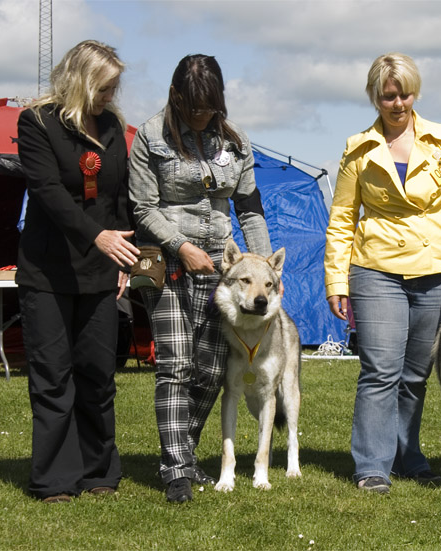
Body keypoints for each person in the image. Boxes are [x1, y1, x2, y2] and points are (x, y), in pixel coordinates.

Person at [324, 52, 441, 494]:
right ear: (375, 96)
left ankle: (407, 454)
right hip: (375, 267)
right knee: (380, 369)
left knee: (417, 372)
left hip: (435, 269)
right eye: (388, 96)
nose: (398, 103)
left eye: (406, 94)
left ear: (416, 93)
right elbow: (342, 217)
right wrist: (336, 281)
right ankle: (372, 466)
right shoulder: (357, 148)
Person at [128, 54, 273, 504]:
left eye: (208, 107)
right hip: (167, 263)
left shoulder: (236, 142)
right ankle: (177, 472)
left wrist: (264, 267)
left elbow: (248, 208)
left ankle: (183, 454)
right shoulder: (150, 137)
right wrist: (181, 246)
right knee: (176, 365)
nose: (200, 115)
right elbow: (142, 208)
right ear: (176, 96)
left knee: (211, 372)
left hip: (221, 271)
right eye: (193, 106)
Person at [16, 40, 139, 503]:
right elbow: (47, 191)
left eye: (115, 87)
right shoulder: (36, 121)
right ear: (81, 79)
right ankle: (54, 480)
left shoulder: (111, 125)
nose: (112, 94)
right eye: (105, 87)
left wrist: (126, 258)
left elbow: (118, 197)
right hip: (47, 272)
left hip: (102, 271)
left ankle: (99, 472)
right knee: (53, 377)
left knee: (97, 374)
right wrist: (97, 237)